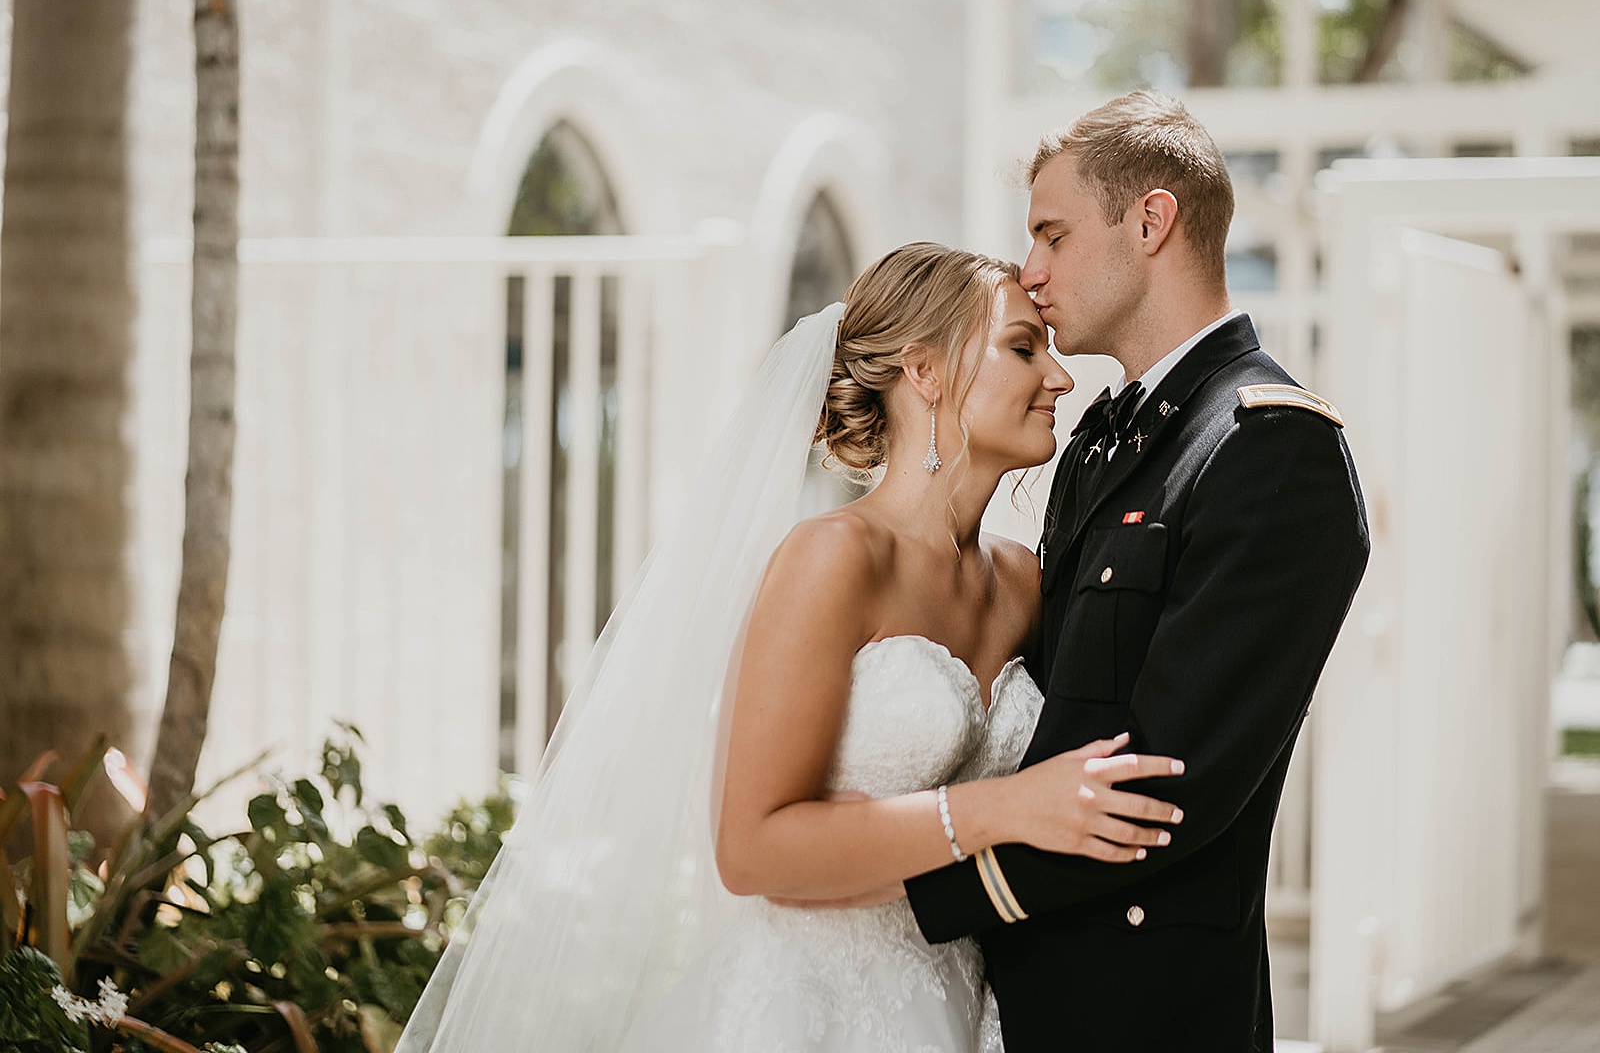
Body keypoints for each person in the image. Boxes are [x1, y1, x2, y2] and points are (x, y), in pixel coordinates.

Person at [394, 242, 1184, 1053]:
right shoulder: (833, 557)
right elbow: (751, 850)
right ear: (924, 371)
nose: (1059, 378)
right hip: (810, 1010)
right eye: (1022, 348)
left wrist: (872, 835)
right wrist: (1006, 808)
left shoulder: (1022, 583)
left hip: (976, 1005)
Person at [903, 92, 1371, 1052]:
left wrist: (896, 886)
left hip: (1148, 1010)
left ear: (1151, 222)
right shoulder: (1104, 436)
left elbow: (1166, 783)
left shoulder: (1270, 448)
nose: (1030, 272)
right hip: (1018, 991)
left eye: (1053, 235)